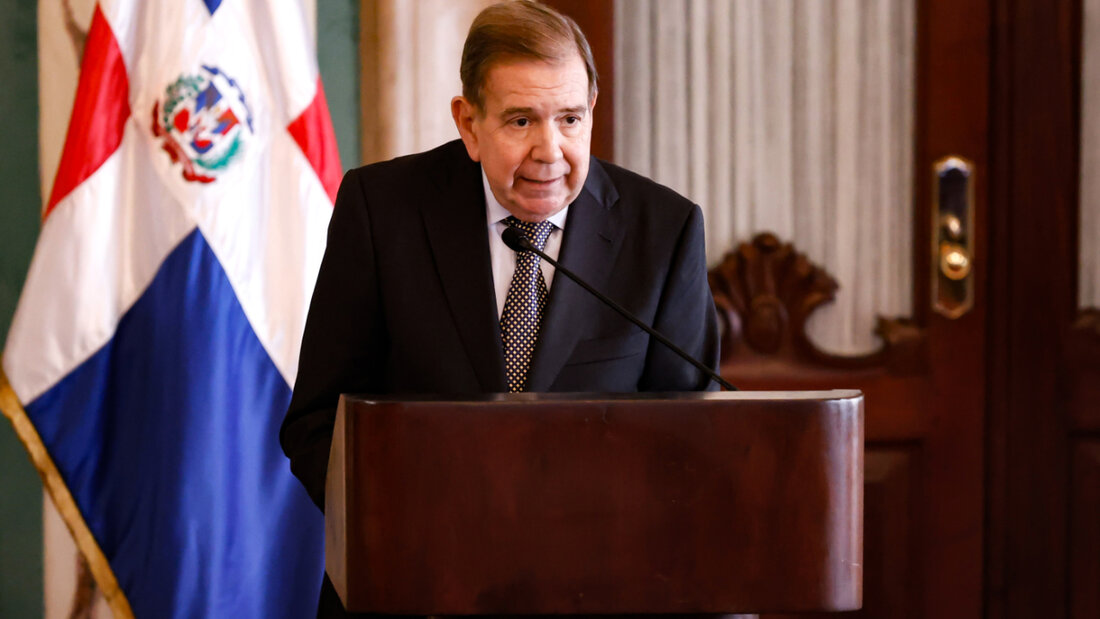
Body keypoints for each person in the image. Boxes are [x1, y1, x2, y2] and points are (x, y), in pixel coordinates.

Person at [280, 1, 720, 615]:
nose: (551, 150)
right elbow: (318, 422)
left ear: (592, 107)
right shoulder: (383, 212)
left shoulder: (663, 231)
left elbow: (695, 444)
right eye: (520, 121)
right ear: (468, 123)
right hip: (416, 586)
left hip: (601, 591)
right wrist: (414, 534)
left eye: (569, 118)